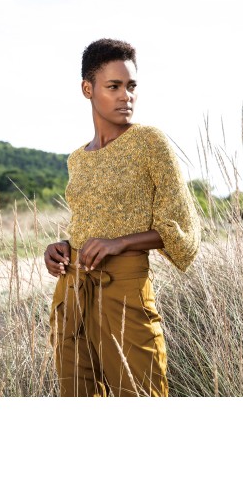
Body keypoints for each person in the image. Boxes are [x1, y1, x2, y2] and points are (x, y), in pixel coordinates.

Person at [44, 38, 201, 397]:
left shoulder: (149, 142)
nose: (125, 96)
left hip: (125, 291)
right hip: (72, 291)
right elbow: (88, 224)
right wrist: (62, 247)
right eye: (113, 86)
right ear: (88, 89)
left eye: (131, 86)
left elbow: (180, 227)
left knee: (141, 394)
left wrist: (120, 243)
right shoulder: (77, 159)